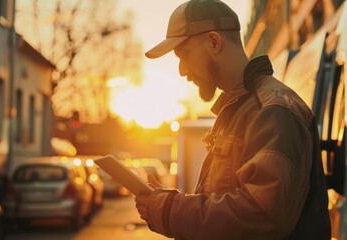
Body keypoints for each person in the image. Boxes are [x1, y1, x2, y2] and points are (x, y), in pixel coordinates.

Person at [135, 0, 331, 239]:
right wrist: (171, 202)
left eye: (183, 54)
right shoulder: (239, 110)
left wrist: (172, 209)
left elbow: (262, 215)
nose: (181, 70)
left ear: (214, 42)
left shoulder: (272, 110)